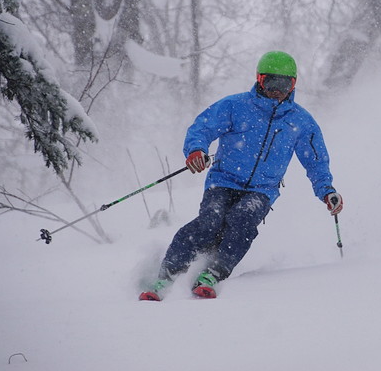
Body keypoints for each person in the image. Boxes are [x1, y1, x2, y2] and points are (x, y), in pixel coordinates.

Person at [139, 51, 343, 301]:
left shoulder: (300, 122)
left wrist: (327, 190)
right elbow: (202, 127)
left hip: (262, 189)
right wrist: (196, 150)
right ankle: (165, 275)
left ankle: (213, 273)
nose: (276, 91)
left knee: (242, 220)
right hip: (223, 180)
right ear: (259, 79)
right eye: (270, 82)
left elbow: (316, 160)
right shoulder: (235, 106)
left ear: (294, 84)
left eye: (284, 84)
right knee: (210, 222)